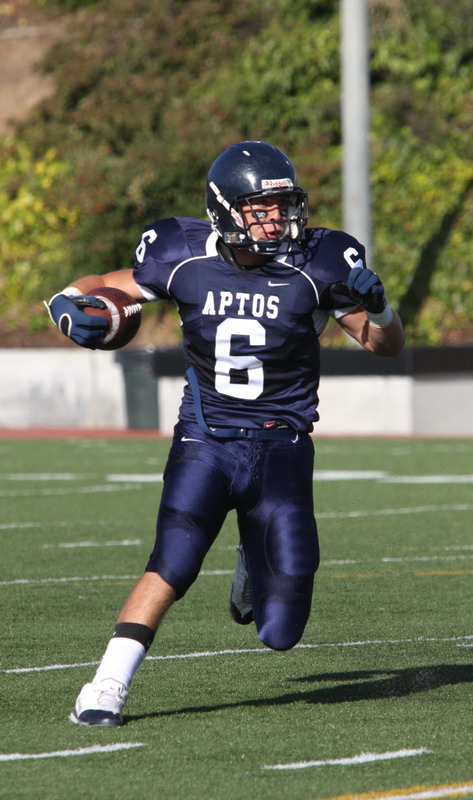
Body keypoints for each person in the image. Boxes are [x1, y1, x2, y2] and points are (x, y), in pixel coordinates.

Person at [46, 140, 404, 726]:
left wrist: (382, 310)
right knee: (173, 561)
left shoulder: (320, 261)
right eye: (262, 208)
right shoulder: (180, 253)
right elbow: (104, 283)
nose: (278, 220)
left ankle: (250, 555)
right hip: (206, 438)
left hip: (283, 445)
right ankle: (105, 686)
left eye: (284, 206)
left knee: (281, 632)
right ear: (225, 210)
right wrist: (66, 302)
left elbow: (385, 346)